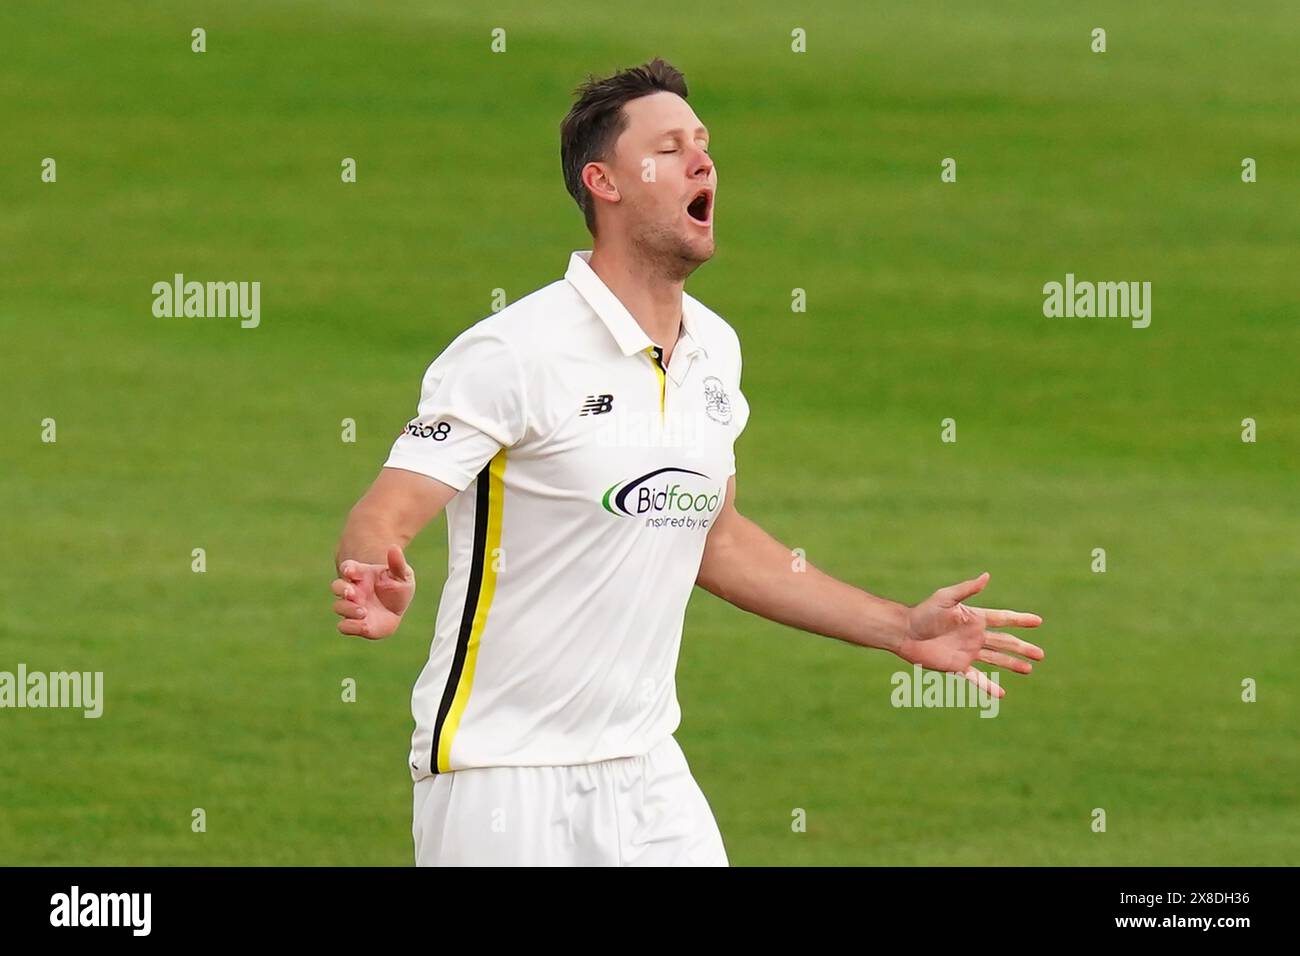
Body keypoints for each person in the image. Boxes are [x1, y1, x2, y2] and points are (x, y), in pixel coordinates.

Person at [331, 58, 1045, 866]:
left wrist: (900, 630)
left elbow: (719, 539)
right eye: (670, 149)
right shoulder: (514, 352)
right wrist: (374, 574)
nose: (703, 162)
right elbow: (384, 510)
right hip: (503, 776)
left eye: (703, 145)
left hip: (647, 771)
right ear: (603, 181)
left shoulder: (714, 349)